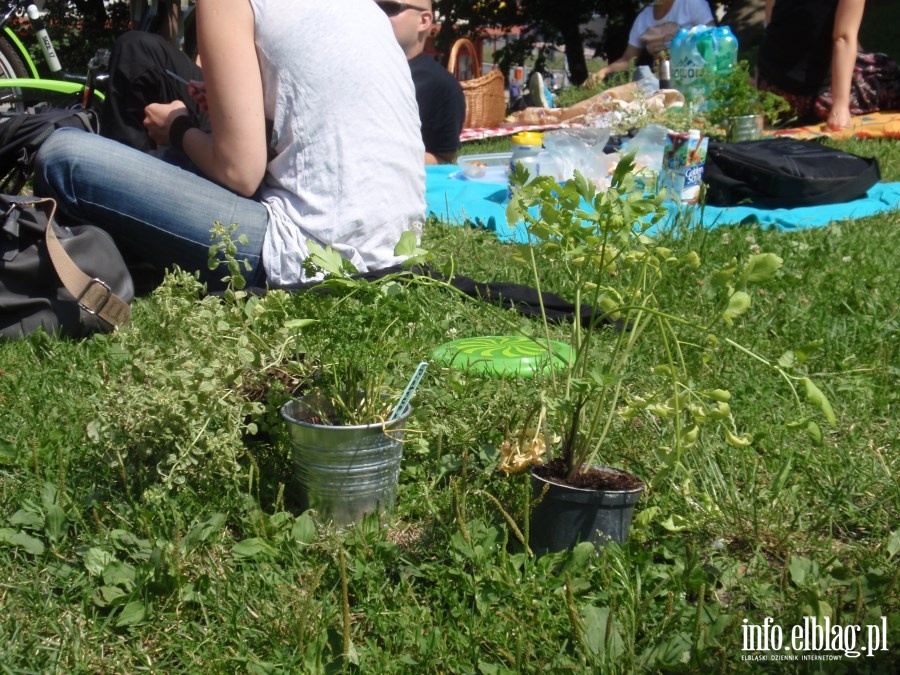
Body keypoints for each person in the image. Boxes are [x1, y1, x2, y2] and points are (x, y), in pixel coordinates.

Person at [34, 0, 425, 289]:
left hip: (309, 253)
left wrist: (176, 125)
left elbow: (240, 172)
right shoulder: (365, 8)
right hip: (397, 245)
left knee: (62, 155)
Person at [757, 0, 900, 130]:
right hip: (810, 98)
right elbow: (843, 38)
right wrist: (840, 108)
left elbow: (771, 23)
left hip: (769, 90)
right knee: (888, 72)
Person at [376, 0, 466, 164]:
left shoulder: (441, 86)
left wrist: (378, 161)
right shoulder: (349, 70)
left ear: (423, 21)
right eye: (373, 6)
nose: (376, 13)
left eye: (388, 8)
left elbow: (442, 158)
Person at [588, 0, 714, 85]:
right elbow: (628, 60)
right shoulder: (644, 18)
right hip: (662, 82)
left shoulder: (692, 4)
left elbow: (714, 39)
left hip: (697, 81)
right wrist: (603, 72)